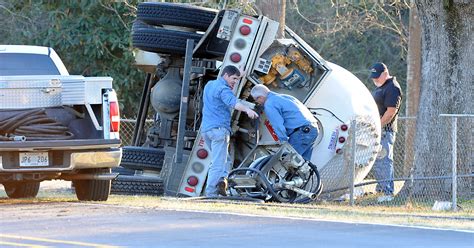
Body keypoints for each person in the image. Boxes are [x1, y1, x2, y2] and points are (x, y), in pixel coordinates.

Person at [201, 65, 259, 197]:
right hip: (220, 131)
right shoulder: (224, 89)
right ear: (225, 76)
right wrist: (248, 110)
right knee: (218, 164)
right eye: (233, 78)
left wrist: (239, 74)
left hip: (207, 130)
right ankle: (211, 194)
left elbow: (229, 84)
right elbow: (233, 103)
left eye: (237, 79)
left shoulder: (210, 85)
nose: (235, 81)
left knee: (224, 159)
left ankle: (222, 180)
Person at [250, 84, 318, 161]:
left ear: (260, 97)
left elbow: (278, 125)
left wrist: (283, 141)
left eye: (256, 100)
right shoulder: (285, 97)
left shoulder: (269, 104)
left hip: (301, 133)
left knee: (287, 163)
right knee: (303, 165)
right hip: (312, 130)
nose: (258, 103)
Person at [369, 62, 402, 202]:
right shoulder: (382, 87)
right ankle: (382, 189)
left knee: (384, 160)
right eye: (373, 77)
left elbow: (390, 112)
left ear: (385, 73)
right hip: (378, 129)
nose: (375, 79)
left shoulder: (392, 87)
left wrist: (378, 125)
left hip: (385, 130)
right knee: (380, 161)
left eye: (377, 76)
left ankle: (386, 192)